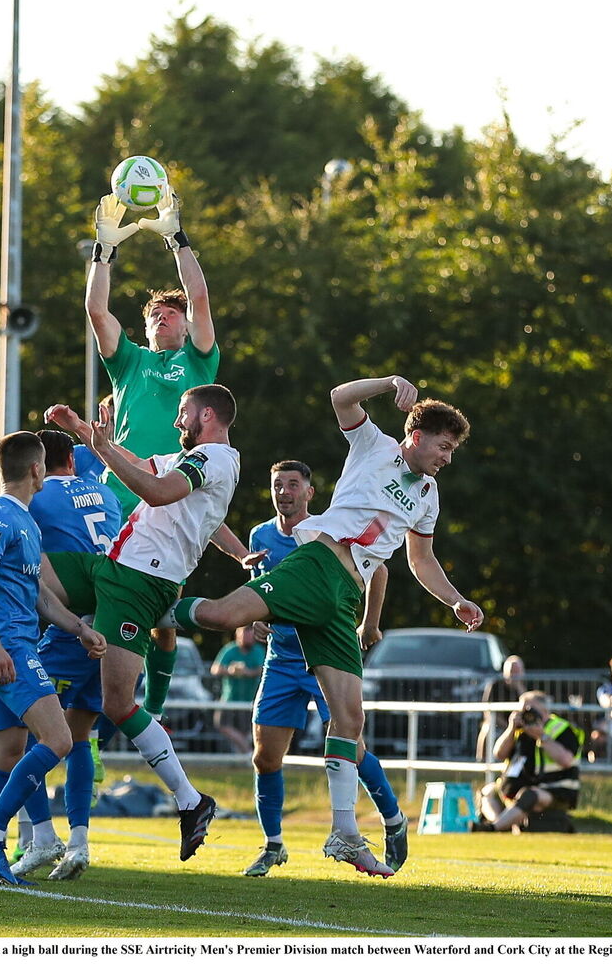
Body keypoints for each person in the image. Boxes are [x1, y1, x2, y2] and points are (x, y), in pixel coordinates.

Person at [164, 375, 484, 878]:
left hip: (344, 597)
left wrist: (456, 600)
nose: (447, 457)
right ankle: (158, 606)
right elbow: (338, 397)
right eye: (443, 446)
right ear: (417, 436)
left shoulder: (428, 495)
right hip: (318, 566)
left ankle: (344, 834)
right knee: (224, 617)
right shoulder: (374, 444)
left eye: (452, 451)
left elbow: (420, 561)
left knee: (350, 722)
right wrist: (391, 383)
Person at [44, 383, 239, 861]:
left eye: (182, 413)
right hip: (116, 568)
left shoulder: (212, 459)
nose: (177, 422)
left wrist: (102, 447)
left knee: (116, 703)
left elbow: (154, 490)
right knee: (20, 567)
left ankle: (190, 800)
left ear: (207, 415)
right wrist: (84, 432)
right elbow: (148, 469)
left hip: (141, 583)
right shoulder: (200, 459)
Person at [88, 188, 219, 720]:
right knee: (99, 610)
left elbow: (202, 298)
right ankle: (92, 720)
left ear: (186, 325)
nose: (164, 318)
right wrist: (103, 250)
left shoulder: (199, 364)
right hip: (117, 496)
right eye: (155, 315)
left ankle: (153, 707)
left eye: (172, 313)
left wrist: (175, 239)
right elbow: (97, 309)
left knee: (160, 618)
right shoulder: (130, 363)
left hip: (171, 500)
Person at [242, 460, 408, 878]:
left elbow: (380, 569)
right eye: (277, 484)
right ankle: (273, 845)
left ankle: (393, 819)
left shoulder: (325, 530)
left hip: (325, 655)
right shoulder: (259, 535)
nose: (284, 492)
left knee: (354, 744)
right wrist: (257, 619)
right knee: (265, 757)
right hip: (280, 660)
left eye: (293, 484)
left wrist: (369, 623)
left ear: (310, 493)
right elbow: (266, 591)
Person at [0, 432, 107, 887]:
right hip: (9, 650)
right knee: (59, 739)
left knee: (4, 755)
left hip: (9, 646)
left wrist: (79, 627)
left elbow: (39, 594)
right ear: (38, 470)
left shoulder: (25, 520)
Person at [10, 429, 122, 881]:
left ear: (37, 465)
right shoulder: (106, 492)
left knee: (21, 735)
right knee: (78, 738)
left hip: (70, 628)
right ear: (72, 462)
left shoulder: (33, 501)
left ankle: (41, 838)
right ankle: (79, 841)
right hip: (112, 623)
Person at [472, 691, 583, 832]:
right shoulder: (520, 730)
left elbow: (566, 760)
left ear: (545, 710)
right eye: (522, 710)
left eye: (530, 709)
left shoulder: (561, 728)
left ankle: (493, 828)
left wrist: (542, 737)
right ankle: (501, 825)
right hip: (516, 789)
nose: (526, 714)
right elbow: (499, 754)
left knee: (528, 796)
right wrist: (511, 729)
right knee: (487, 792)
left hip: (555, 791)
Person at [210, 627, 265, 754]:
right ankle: (248, 752)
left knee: (247, 730)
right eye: (244, 635)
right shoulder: (230, 649)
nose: (248, 638)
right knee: (221, 724)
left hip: (250, 699)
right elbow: (215, 669)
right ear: (237, 636)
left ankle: (244, 755)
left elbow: (262, 670)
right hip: (229, 698)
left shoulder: (258, 651)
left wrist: (247, 672)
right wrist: (229, 670)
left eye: (250, 635)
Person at [476, 655, 527, 762]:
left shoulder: (525, 686)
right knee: (487, 729)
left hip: (519, 723)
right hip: (497, 723)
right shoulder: (495, 685)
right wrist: (507, 726)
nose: (514, 675)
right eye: (512, 671)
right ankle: (483, 762)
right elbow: (488, 710)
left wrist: (519, 688)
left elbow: (527, 706)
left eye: (518, 671)